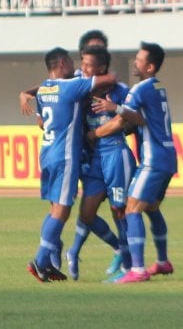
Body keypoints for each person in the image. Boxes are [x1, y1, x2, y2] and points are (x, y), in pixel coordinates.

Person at [21, 47, 116, 283]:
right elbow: (111, 78)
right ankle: (40, 261)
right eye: (73, 63)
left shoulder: (43, 89)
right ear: (62, 63)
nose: (77, 67)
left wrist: (26, 92)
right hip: (65, 157)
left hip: (47, 153)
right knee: (62, 211)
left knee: (55, 210)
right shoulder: (72, 86)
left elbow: (41, 124)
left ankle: (49, 263)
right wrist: (87, 76)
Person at [92, 41, 177, 284]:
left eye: (139, 59)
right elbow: (141, 119)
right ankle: (162, 261)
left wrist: (112, 108)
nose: (135, 62)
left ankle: (137, 269)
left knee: (132, 208)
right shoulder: (159, 87)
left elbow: (128, 119)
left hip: (153, 158)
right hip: (169, 156)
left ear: (149, 67)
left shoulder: (140, 89)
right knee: (151, 208)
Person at [65, 45, 136, 282]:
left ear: (102, 68)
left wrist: (95, 134)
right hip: (95, 160)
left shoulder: (119, 91)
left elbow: (123, 122)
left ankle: (128, 266)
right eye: (82, 63)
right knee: (87, 212)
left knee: (120, 210)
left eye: (87, 65)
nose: (82, 69)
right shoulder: (80, 87)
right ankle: (84, 251)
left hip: (116, 154)